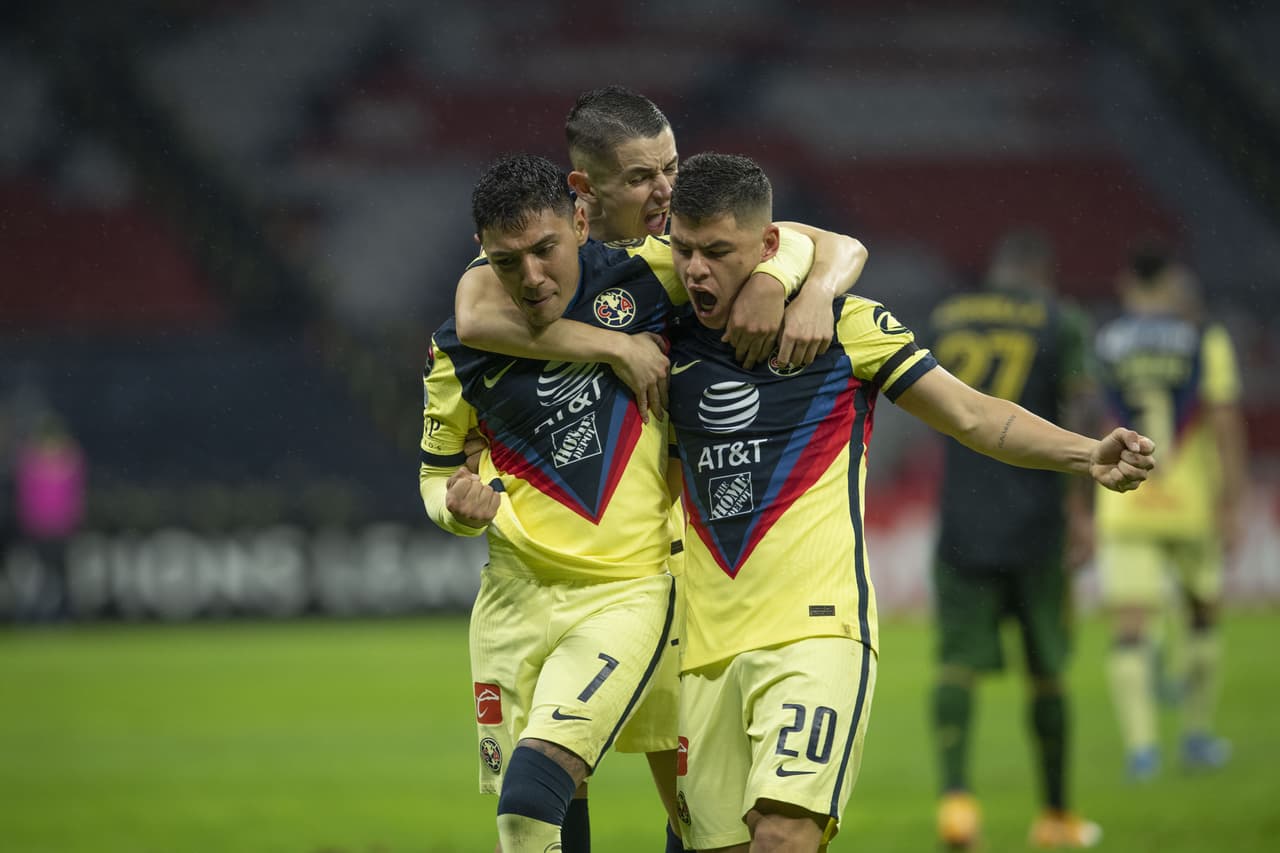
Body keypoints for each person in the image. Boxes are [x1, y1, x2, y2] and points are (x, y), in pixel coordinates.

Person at [660, 152, 1155, 853]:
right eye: (683, 251)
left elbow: (973, 415)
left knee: (782, 835)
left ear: (770, 245)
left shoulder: (847, 327)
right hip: (705, 646)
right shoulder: (667, 341)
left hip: (816, 632)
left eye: (717, 251)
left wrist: (1085, 451)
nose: (695, 270)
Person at [450, 86, 867, 852]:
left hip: (677, 575)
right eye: (643, 176)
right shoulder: (537, 257)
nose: (667, 189)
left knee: (697, 814)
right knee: (560, 775)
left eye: (671, 167)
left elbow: (835, 246)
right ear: (585, 191)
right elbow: (472, 315)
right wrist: (611, 343)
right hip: (576, 575)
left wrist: (792, 285)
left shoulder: (679, 256)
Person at [926, 229, 1101, 849]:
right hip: (1038, 520)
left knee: (956, 665)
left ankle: (957, 806)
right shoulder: (1060, 318)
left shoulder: (947, 316)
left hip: (962, 517)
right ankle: (1054, 817)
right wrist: (1084, 514)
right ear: (1040, 272)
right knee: (1047, 669)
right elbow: (1082, 410)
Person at [1093, 242, 1247, 781]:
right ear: (1172, 285)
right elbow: (1224, 419)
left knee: (1130, 627)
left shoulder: (1105, 340)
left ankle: (1142, 751)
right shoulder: (1205, 338)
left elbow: (1087, 417)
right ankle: (1197, 735)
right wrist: (1234, 500)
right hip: (1189, 499)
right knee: (1203, 614)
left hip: (1125, 497)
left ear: (1128, 285)